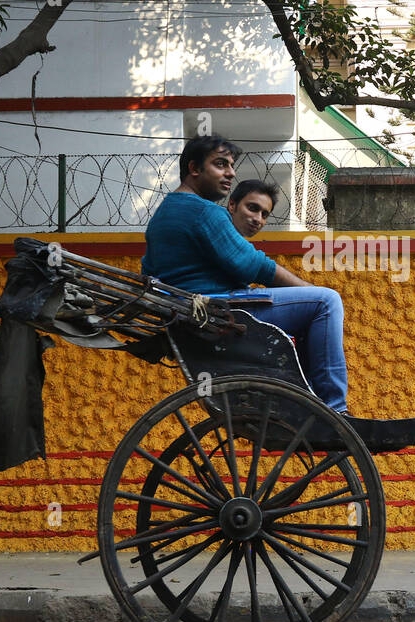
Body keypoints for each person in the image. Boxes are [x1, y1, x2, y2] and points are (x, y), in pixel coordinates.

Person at [142, 135, 350, 413]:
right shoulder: (203, 212)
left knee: (313, 306)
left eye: (231, 165)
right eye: (220, 164)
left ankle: (305, 400)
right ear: (194, 168)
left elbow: (150, 270)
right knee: (326, 302)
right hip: (219, 310)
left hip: (194, 314)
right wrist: (307, 288)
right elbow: (253, 265)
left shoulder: (164, 213)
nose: (231, 173)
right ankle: (335, 411)